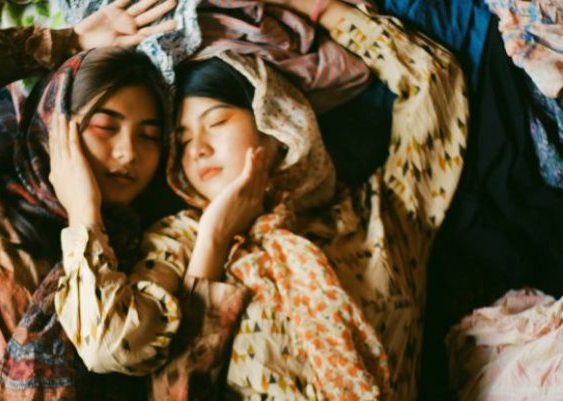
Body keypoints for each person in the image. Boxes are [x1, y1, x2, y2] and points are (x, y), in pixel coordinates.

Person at [51, 0, 470, 399]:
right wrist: (209, 243)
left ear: (276, 120)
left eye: (215, 123)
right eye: (181, 140)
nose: (197, 149)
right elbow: (110, 346)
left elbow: (433, 79)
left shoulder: (379, 214)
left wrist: (314, 7)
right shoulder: (176, 243)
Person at [0, 0, 191, 398]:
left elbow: (123, 351)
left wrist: (85, 219)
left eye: (148, 136)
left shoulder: (149, 247)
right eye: (106, 126)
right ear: (53, 123)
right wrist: (68, 40)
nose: (129, 153)